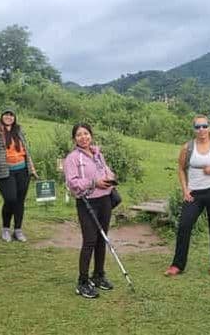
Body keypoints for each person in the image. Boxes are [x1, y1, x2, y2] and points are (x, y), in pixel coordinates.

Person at [165, 115, 210, 277]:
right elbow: (180, 168)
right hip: (194, 193)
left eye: (204, 126)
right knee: (184, 226)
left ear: (209, 127)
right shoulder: (187, 147)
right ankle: (177, 265)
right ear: (194, 129)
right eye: (197, 127)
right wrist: (185, 190)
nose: (201, 129)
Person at [63, 123, 117, 299]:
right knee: (90, 241)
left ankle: (99, 275)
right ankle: (83, 282)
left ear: (91, 135)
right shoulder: (72, 158)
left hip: (105, 199)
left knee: (102, 239)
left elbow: (105, 170)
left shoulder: (97, 153)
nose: (83, 137)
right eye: (79, 135)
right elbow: (72, 183)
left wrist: (110, 178)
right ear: (74, 139)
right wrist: (94, 183)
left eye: (86, 134)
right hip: (87, 202)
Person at [0, 108, 37, 242]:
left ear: (14, 117)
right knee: (11, 199)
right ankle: (6, 229)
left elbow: (26, 151)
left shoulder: (18, 131)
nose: (9, 117)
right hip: (4, 171)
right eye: (6, 114)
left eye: (11, 115)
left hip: (23, 170)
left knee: (20, 201)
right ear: (1, 116)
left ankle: (18, 230)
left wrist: (32, 168)